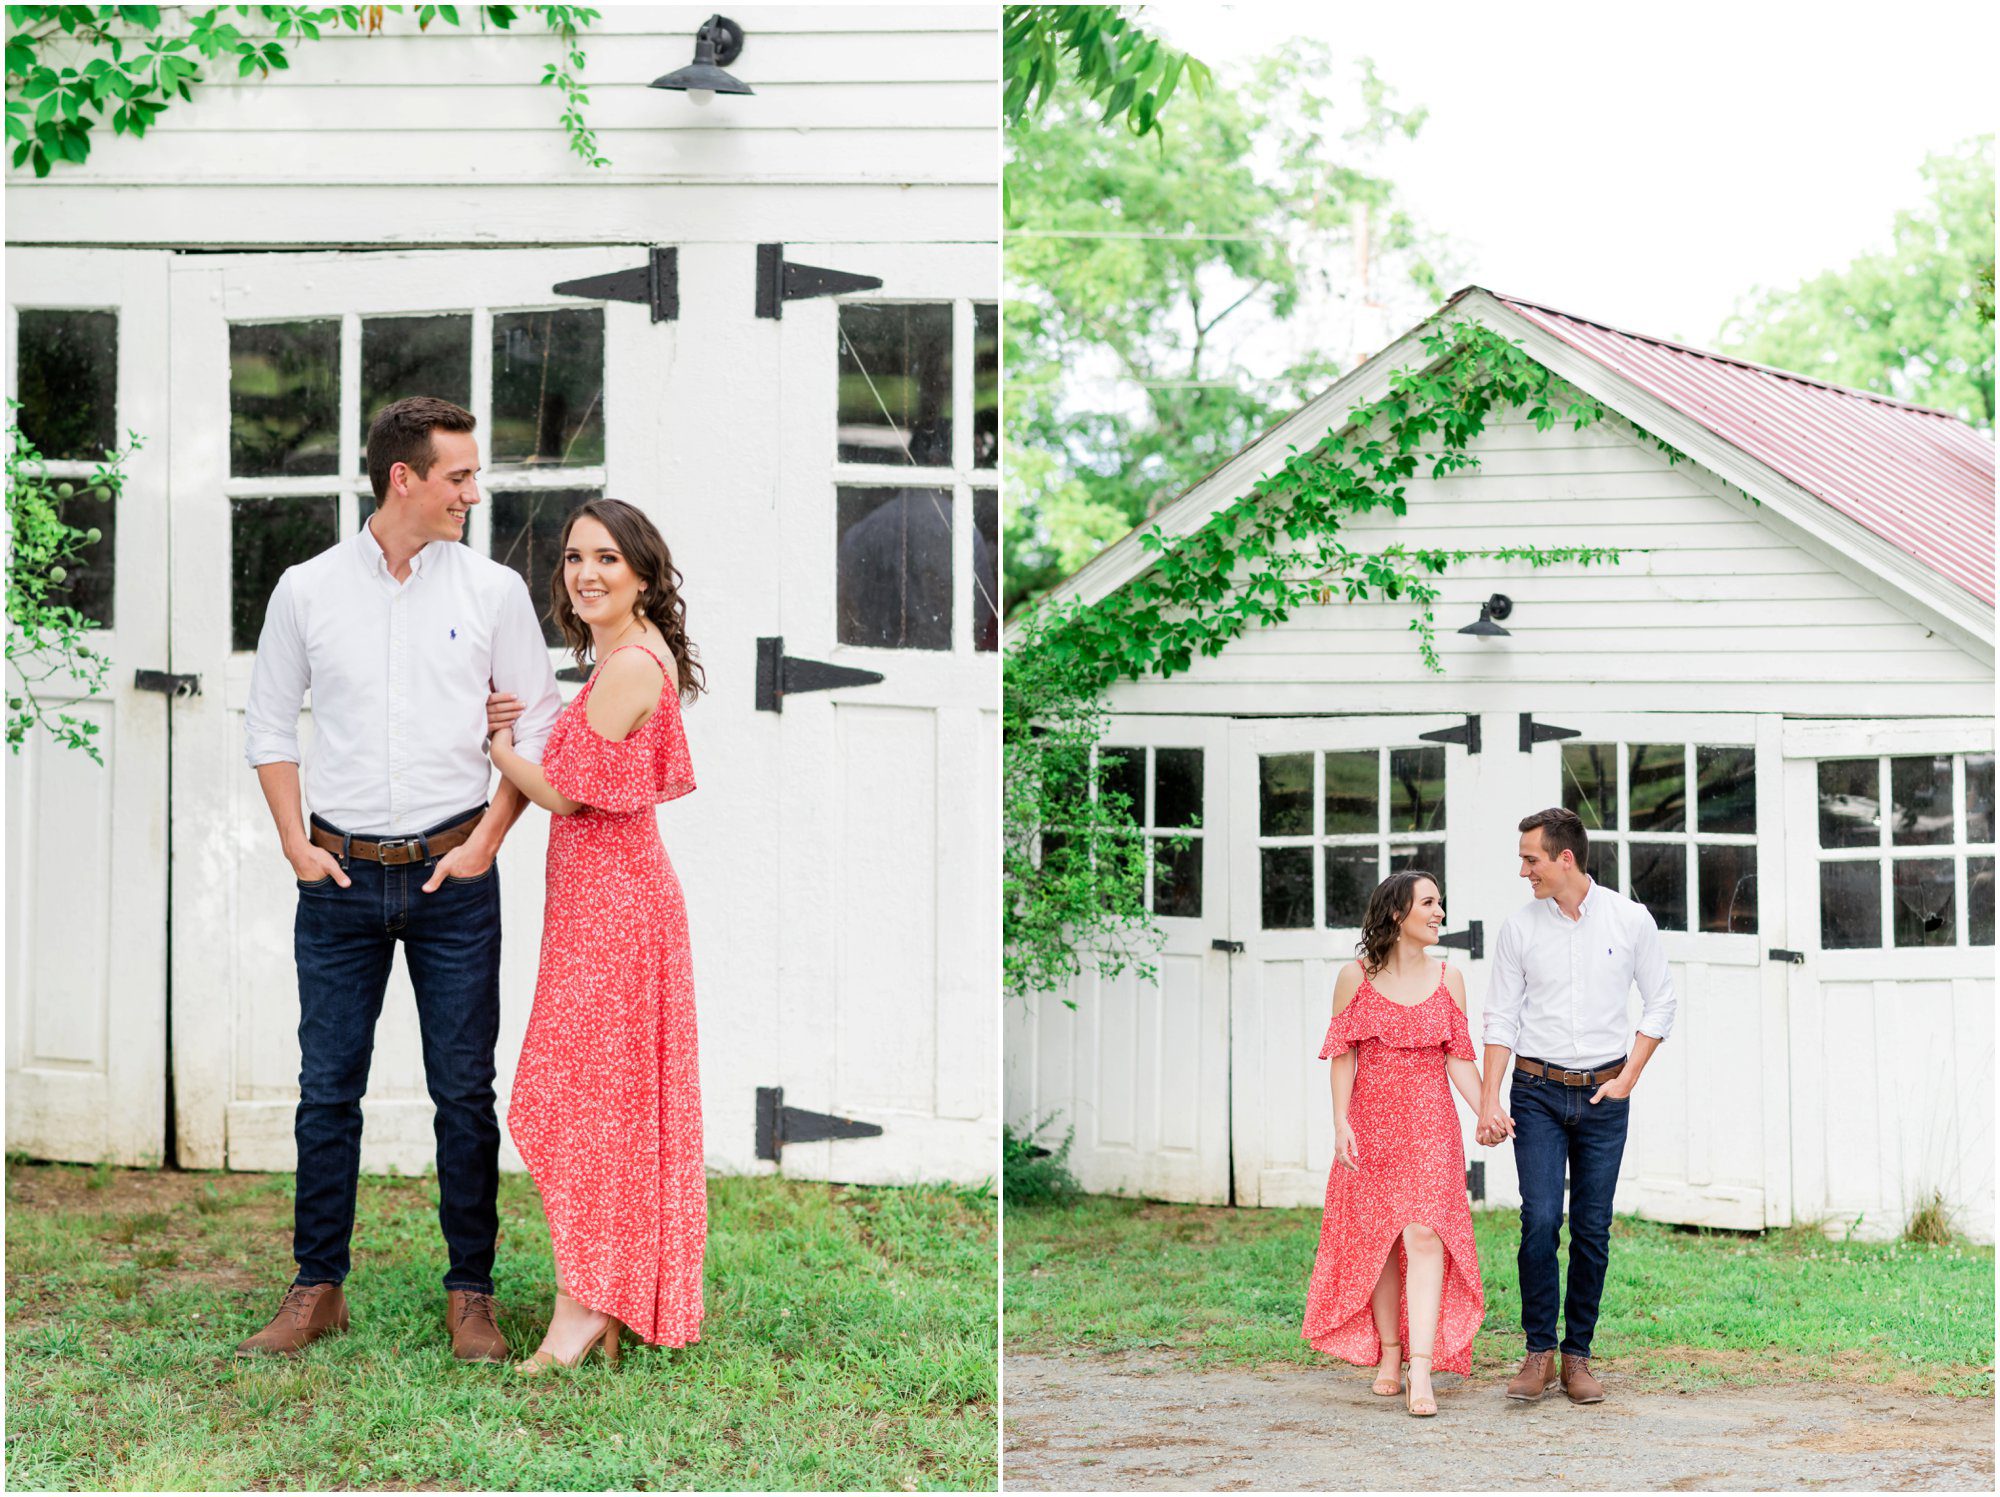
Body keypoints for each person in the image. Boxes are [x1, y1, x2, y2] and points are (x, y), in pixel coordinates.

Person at [238, 396, 562, 1361]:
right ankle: (316, 1289)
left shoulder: (494, 591)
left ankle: (472, 1295)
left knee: (465, 1091)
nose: (475, 491)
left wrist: (489, 841)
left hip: (452, 877)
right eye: (459, 476)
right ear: (403, 480)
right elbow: (268, 726)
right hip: (337, 878)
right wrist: (298, 845)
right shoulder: (306, 589)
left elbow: (537, 726)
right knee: (325, 1089)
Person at [481, 497, 707, 1373]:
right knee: (595, 1102)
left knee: (568, 1095)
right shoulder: (620, 654)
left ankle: (586, 1305)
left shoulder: (629, 667)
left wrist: (501, 749)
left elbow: (570, 794)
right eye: (575, 557)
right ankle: (600, 1293)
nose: (586, 573)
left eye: (607, 557)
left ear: (643, 572)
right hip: (598, 905)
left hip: (616, 910)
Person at [1477, 807, 1675, 1405]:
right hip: (1535, 1092)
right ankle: (1538, 1351)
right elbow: (1501, 1017)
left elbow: (1660, 1003)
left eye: (1530, 859)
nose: (1523, 871)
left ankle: (1577, 1356)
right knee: (1539, 1220)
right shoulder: (1519, 929)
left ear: (1566, 858)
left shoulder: (1630, 920)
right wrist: (1489, 1099)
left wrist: (1629, 1078)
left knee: (1591, 1228)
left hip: (1605, 1093)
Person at [1301, 870, 1486, 1418]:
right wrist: (1341, 1122)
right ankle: (1388, 1353)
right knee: (1380, 1242)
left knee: (1426, 1234)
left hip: (1431, 1126)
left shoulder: (1450, 978)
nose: (1439, 913)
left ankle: (1421, 1369)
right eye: (1429, 903)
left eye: (1440, 904)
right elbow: (1343, 1055)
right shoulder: (1354, 977)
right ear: (1397, 912)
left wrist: (1489, 1112)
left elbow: (1459, 1057)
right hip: (1371, 1124)